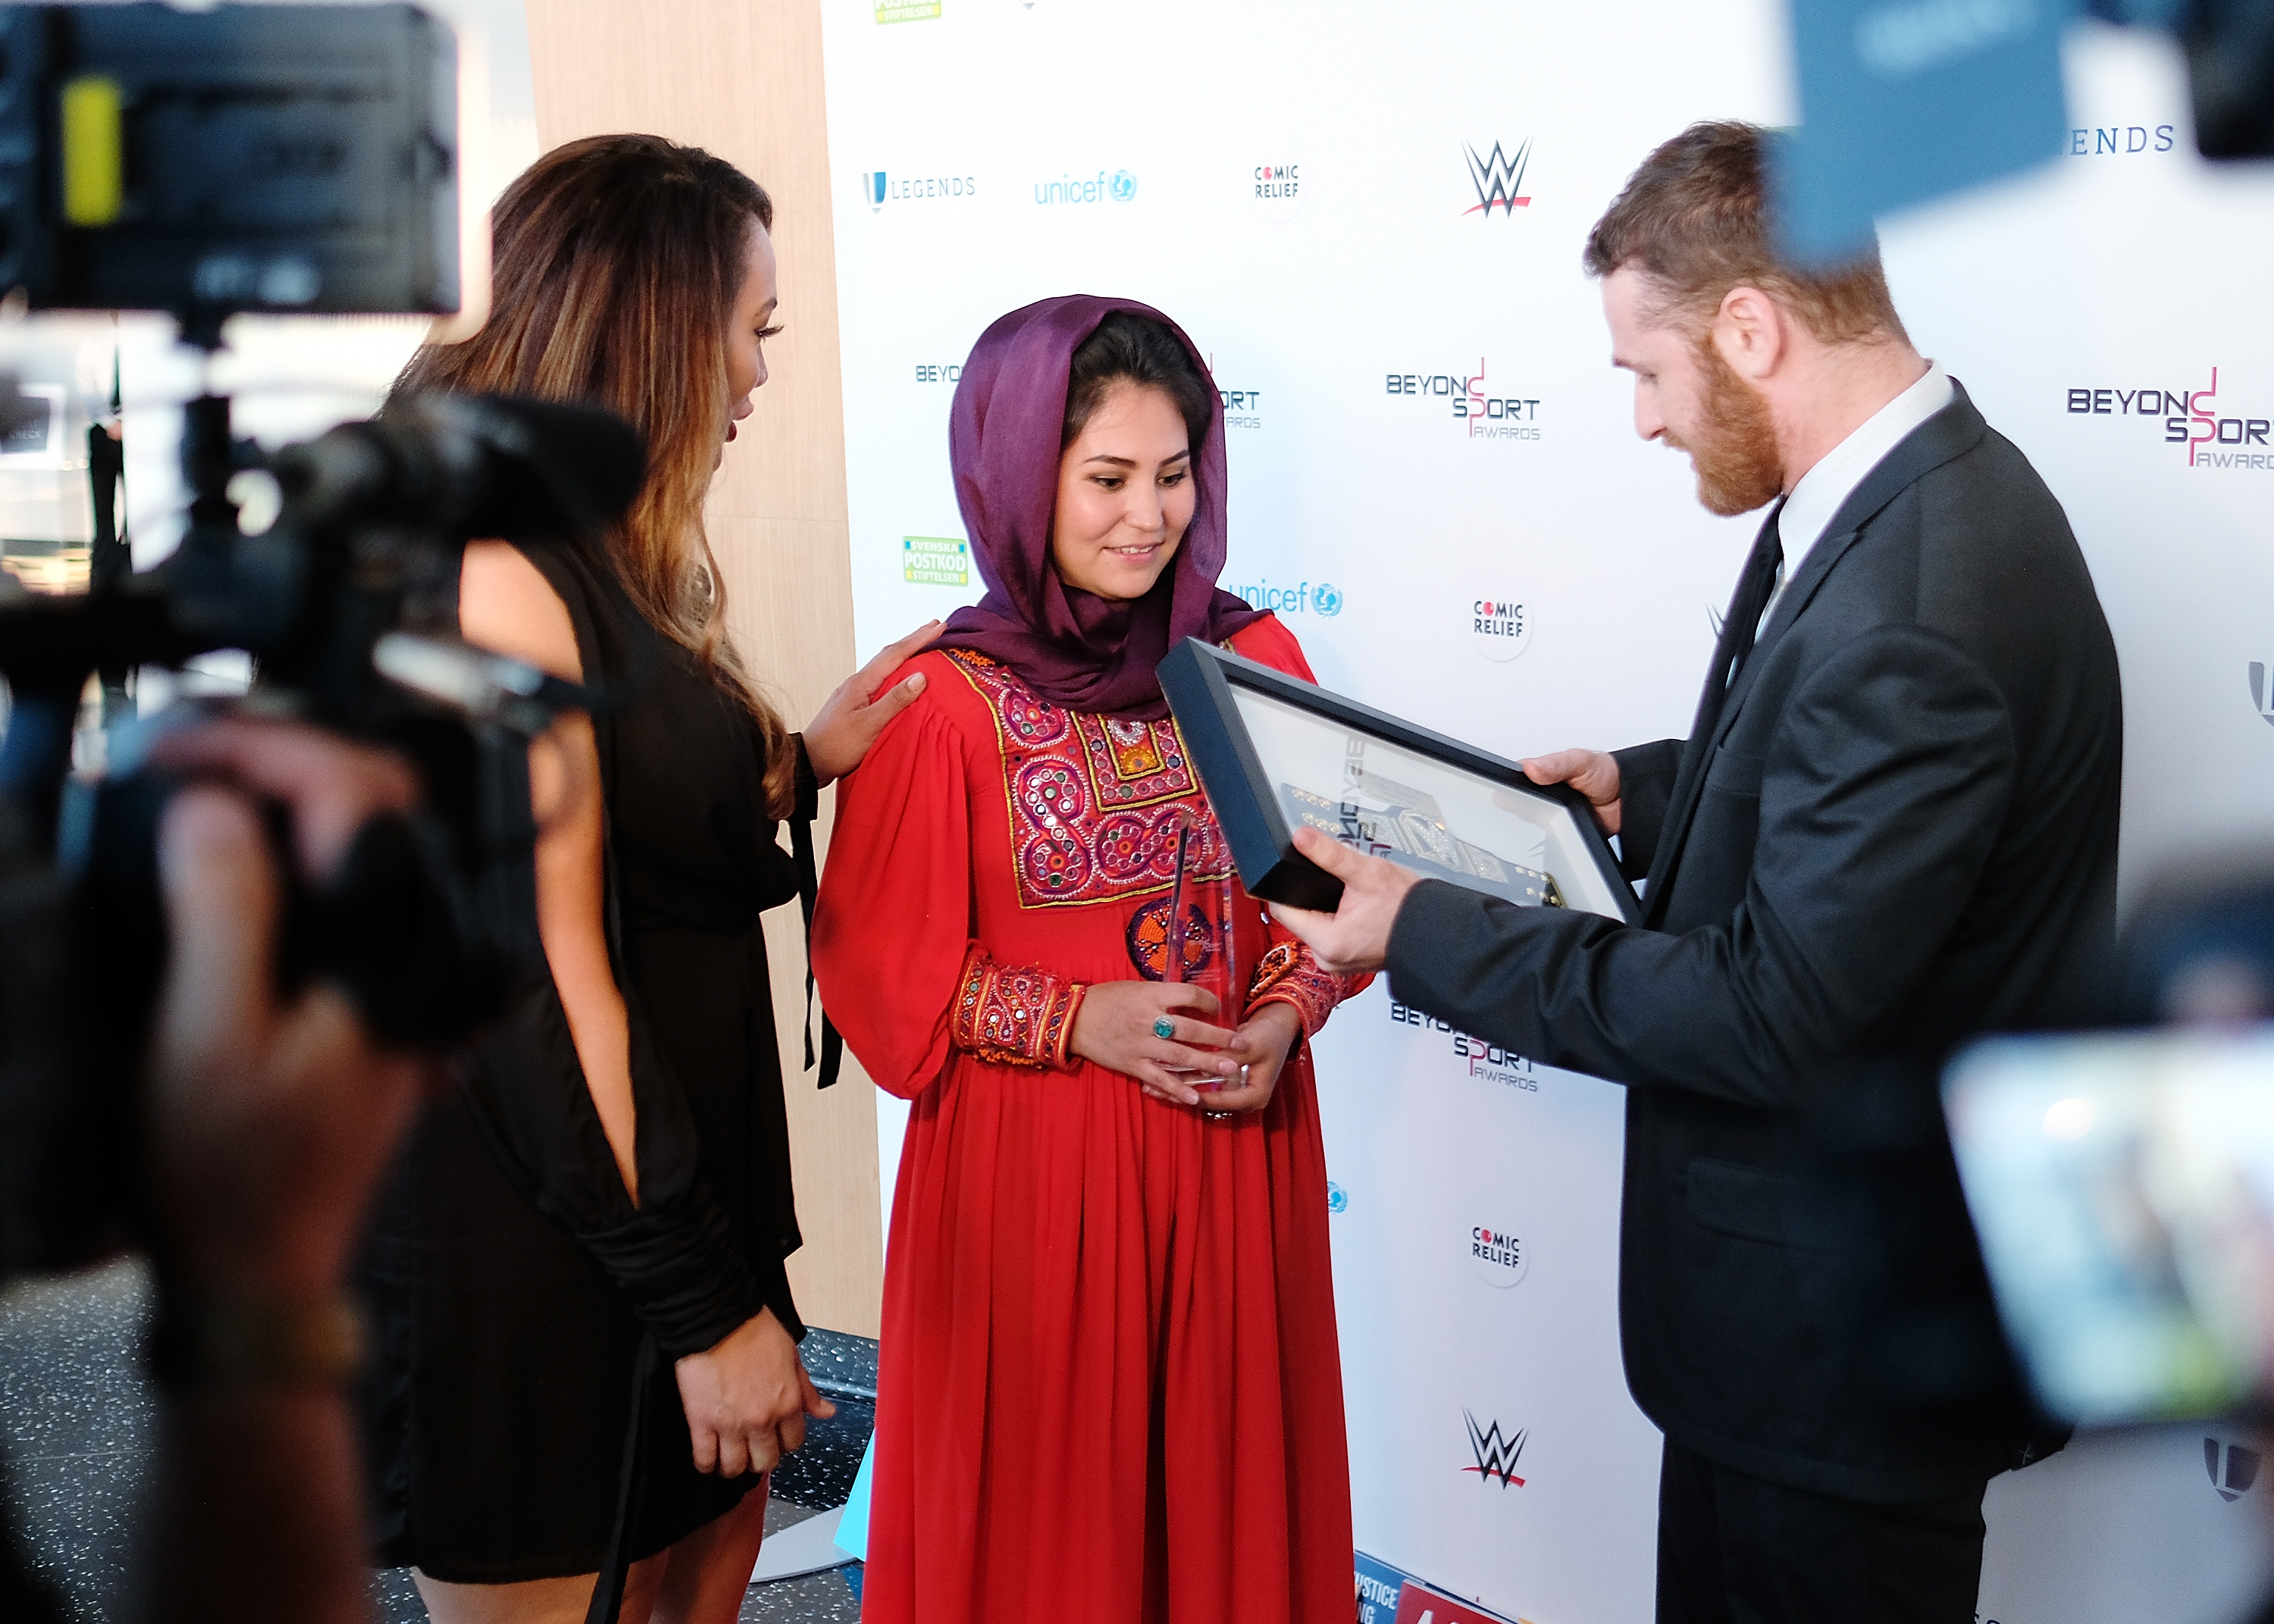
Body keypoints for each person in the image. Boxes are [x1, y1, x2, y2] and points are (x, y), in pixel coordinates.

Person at [1276, 122, 2123, 1624]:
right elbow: (1843, 783)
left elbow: (1770, 1010)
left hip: (1841, 1369)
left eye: (1645, 375)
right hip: (1803, 1350)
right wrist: (1643, 791)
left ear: (1751, 328)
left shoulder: (1922, 597)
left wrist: (1423, 929)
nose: (1648, 423)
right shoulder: (1919, 501)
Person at [358, 134, 935, 1624]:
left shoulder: (593, 546)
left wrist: (800, 760)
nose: (757, 377)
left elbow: (630, 818)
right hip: (549, 1250)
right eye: (753, 332)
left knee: (706, 1572)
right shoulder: (485, 568)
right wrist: (701, 1304)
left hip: (673, 1205)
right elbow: (532, 989)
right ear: (661, 323)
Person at [811, 298, 1362, 1624]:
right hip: (1028, 1197)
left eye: (1175, 475)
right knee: (1050, 1550)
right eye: (1106, 478)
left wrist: (1285, 1021)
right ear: (1016, 478)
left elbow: (1331, 908)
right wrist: (1076, 1020)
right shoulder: (938, 702)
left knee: (1228, 1526)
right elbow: (886, 988)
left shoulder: (1252, 663)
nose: (1148, 515)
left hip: (1234, 1161)